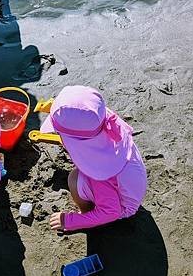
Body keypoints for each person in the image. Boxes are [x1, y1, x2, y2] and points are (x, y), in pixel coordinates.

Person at [41, 86, 148, 232]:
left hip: (123, 208)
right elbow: (78, 107)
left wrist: (70, 221)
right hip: (129, 183)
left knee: (74, 179)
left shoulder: (100, 171)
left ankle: (87, 212)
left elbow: (111, 212)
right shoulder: (104, 124)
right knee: (82, 176)